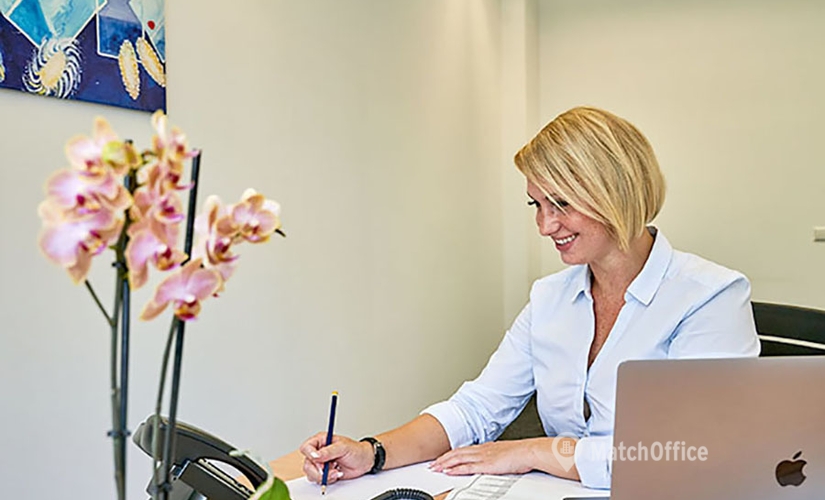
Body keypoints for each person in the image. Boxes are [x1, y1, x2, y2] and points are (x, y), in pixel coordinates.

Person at [297, 106, 760, 490]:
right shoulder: (551, 298)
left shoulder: (711, 296)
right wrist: (371, 453)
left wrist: (536, 450)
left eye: (561, 203)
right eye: (536, 204)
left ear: (615, 191)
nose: (545, 225)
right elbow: (477, 408)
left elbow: (692, 454)